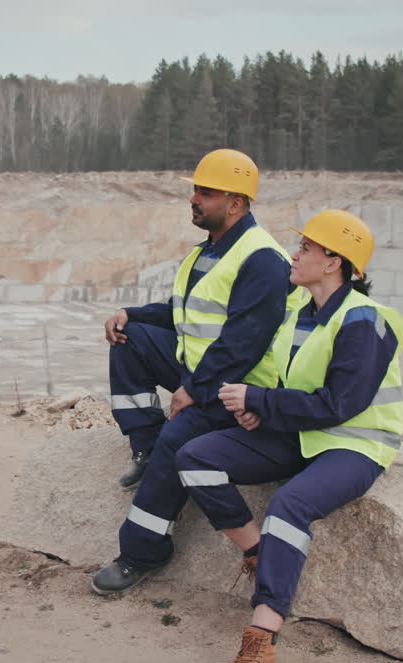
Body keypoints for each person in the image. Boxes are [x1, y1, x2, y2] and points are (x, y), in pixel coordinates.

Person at [174, 209, 403, 663]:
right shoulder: (297, 314)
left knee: (289, 505)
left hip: (355, 443)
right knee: (195, 457)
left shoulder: (362, 321)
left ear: (334, 262)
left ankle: (261, 641)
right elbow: (289, 386)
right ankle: (259, 554)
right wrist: (258, 411)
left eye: (306, 248)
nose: (295, 254)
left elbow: (340, 404)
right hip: (299, 434)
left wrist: (262, 402)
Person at [91, 149, 294, 595]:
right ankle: (143, 447)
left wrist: (192, 390)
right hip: (201, 369)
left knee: (177, 441)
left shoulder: (262, 258)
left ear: (236, 203)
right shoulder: (211, 250)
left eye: (205, 192)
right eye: (194, 191)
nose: (194, 199)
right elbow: (183, 313)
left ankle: (142, 552)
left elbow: (245, 342)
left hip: (237, 389)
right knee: (131, 340)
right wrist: (132, 314)